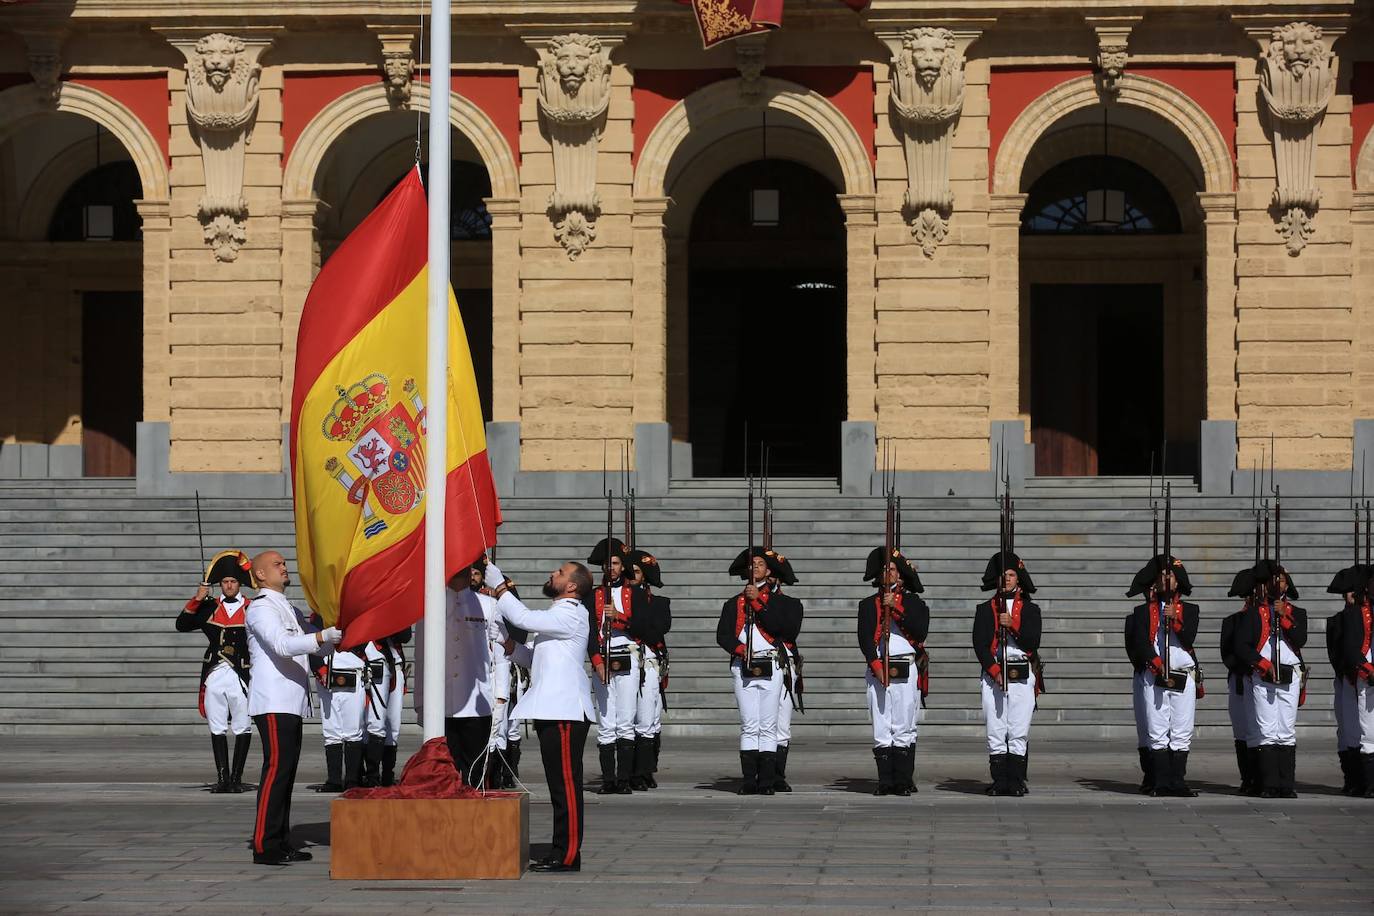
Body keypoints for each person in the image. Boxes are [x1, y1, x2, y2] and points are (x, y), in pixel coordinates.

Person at [484, 559, 596, 873]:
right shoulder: (557, 616)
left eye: (560, 572)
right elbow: (533, 658)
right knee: (558, 785)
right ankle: (562, 849)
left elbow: (523, 616)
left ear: (572, 586)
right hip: (552, 708)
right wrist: (508, 643)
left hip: (564, 710)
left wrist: (500, 585)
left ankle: (569, 854)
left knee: (566, 785)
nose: (552, 573)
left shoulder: (571, 612)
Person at [245, 550, 341, 866]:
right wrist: (323, 636)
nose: (284, 567)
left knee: (285, 773)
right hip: (273, 700)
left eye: (284, 563)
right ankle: (265, 844)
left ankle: (280, 839)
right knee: (276, 771)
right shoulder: (260, 608)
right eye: (277, 564)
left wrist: (335, 636)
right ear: (260, 574)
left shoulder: (287, 607)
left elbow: (315, 645)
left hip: (290, 700)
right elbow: (283, 646)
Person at [415, 558, 503, 788]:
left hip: (476, 702)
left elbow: (500, 654)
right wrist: (420, 702)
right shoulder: (429, 606)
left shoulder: (488, 605)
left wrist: (500, 695)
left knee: (477, 773)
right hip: (440, 703)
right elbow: (422, 655)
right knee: (444, 776)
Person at [176, 549, 255, 794]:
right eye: (225, 582)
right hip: (214, 674)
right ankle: (223, 778)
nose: (229, 585)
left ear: (239, 584)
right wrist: (197, 599)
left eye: (232, 582)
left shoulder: (253, 607)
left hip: (241, 673)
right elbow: (182, 625)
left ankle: (237, 776)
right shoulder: (209, 606)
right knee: (217, 726)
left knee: (242, 725)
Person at [1125, 554, 1201, 797]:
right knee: (1157, 729)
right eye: (1162, 576)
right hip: (1154, 673)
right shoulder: (1142, 611)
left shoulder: (1190, 610)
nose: (1167, 580)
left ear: (1178, 582)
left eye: (1171, 576)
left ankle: (1177, 781)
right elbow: (1138, 643)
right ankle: (1159, 781)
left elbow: (1188, 638)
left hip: (1182, 674)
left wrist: (1175, 619)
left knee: (1181, 729)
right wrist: (1156, 662)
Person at [716, 547, 790, 796]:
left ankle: (767, 781)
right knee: (749, 724)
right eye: (752, 564)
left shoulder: (778, 601)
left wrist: (757, 601)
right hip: (743, 664)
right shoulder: (732, 603)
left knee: (768, 725)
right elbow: (723, 635)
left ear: (768, 571)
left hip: (771, 665)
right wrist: (740, 648)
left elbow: (780, 628)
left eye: (760, 564)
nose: (755, 568)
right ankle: (749, 780)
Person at [857, 548, 929, 796]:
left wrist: (896, 607)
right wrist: (875, 665)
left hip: (905, 667)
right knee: (881, 725)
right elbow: (865, 638)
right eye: (885, 569)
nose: (888, 573)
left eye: (893, 570)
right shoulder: (868, 605)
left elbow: (920, 631)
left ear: (901, 576)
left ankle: (902, 781)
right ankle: (885, 781)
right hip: (879, 667)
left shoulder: (913, 603)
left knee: (903, 725)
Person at [1234, 560, 1307, 798]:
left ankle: (1286, 784)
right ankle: (1269, 783)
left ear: (1287, 585)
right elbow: (1241, 646)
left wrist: (1285, 616)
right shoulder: (1254, 613)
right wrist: (1262, 664)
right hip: (1263, 673)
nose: (1278, 583)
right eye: (1274, 580)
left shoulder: (1297, 613)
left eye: (1282, 579)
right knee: (1266, 729)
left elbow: (1300, 639)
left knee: (1286, 729)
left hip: (1290, 673)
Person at [972, 551, 1042, 797]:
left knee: (1018, 729)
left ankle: (1016, 780)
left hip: (1021, 674)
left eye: (1011, 575)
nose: (1007, 580)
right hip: (994, 675)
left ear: (1019, 579)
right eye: (1003, 576)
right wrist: (993, 671)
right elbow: (980, 644)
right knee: (996, 728)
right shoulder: (984, 609)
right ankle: (999, 780)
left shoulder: (1031, 610)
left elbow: (1032, 641)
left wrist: (1011, 624)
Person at [586, 539, 652, 794]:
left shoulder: (635, 593)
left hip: (629, 655)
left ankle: (623, 779)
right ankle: (608, 780)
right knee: (606, 720)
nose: (611, 568)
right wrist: (596, 661)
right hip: (603, 658)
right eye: (607, 564)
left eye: (615, 563)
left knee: (625, 719)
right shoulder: (593, 595)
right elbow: (589, 632)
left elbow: (645, 628)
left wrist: (620, 618)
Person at [626, 549, 668, 790]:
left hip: (649, 662)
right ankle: (629, 771)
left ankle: (645, 770)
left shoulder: (659, 603)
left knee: (648, 717)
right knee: (626, 718)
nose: (632, 576)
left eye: (638, 572)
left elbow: (657, 630)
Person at [310, 631, 366, 792]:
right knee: (331, 729)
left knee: (353, 730)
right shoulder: (319, 614)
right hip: (326, 669)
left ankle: (352, 779)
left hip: (353, 669)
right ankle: (334, 780)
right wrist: (318, 667)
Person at [767, 555, 804, 793]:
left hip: (782, 663)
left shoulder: (791, 604)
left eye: (772, 573)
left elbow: (788, 631)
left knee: (782, 723)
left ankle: (777, 775)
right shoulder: (742, 604)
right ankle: (759, 773)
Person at [1325, 565, 1363, 795]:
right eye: (1348, 591)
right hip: (1347, 679)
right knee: (1347, 731)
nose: (1351, 595)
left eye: (1355, 591)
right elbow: (1336, 652)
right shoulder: (1338, 620)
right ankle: (1352, 778)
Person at [1338, 564, 1374, 796]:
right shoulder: (1354, 614)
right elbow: (1350, 648)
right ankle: (1369, 784)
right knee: (1368, 734)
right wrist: (1368, 669)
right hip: (1366, 675)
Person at [1220, 606, 1255, 794]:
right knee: (1242, 731)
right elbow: (1227, 654)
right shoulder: (1233, 621)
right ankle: (1247, 777)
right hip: (1241, 678)